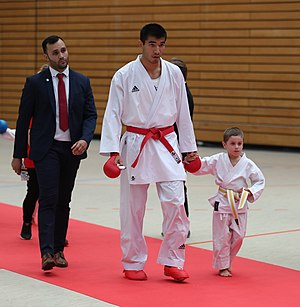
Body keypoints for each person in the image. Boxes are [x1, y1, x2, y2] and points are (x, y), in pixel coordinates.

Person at [100, 23, 197, 282]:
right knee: (133, 209)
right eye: (152, 44)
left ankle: (173, 260)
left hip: (167, 142)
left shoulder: (174, 73)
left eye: (162, 44)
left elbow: (183, 115)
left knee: (177, 203)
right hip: (136, 142)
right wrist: (111, 152)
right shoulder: (124, 75)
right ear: (141, 44)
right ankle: (132, 261)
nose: (158, 50)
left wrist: (190, 150)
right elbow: (112, 113)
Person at [12, 35, 97, 271]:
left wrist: (85, 139)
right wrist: (18, 155)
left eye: (63, 50)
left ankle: (59, 249)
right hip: (46, 149)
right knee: (48, 198)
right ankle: (47, 252)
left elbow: (91, 115)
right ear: (46, 56)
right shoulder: (35, 83)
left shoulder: (82, 81)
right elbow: (22, 120)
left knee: (64, 200)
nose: (61, 56)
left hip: (72, 149)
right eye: (56, 53)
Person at [185, 127, 265, 277]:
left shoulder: (247, 163)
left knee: (239, 236)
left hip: (239, 203)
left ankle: (227, 261)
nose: (236, 147)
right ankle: (223, 266)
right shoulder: (218, 160)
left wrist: (250, 191)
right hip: (222, 202)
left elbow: (259, 181)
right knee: (222, 236)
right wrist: (192, 161)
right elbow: (200, 166)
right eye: (233, 143)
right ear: (224, 144)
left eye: (239, 143)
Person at [168, 57, 194, 238]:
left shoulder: (183, 94)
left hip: (174, 147)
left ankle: (182, 225)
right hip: (170, 145)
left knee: (177, 186)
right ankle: (176, 224)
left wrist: (185, 151)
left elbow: (184, 125)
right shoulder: (176, 91)